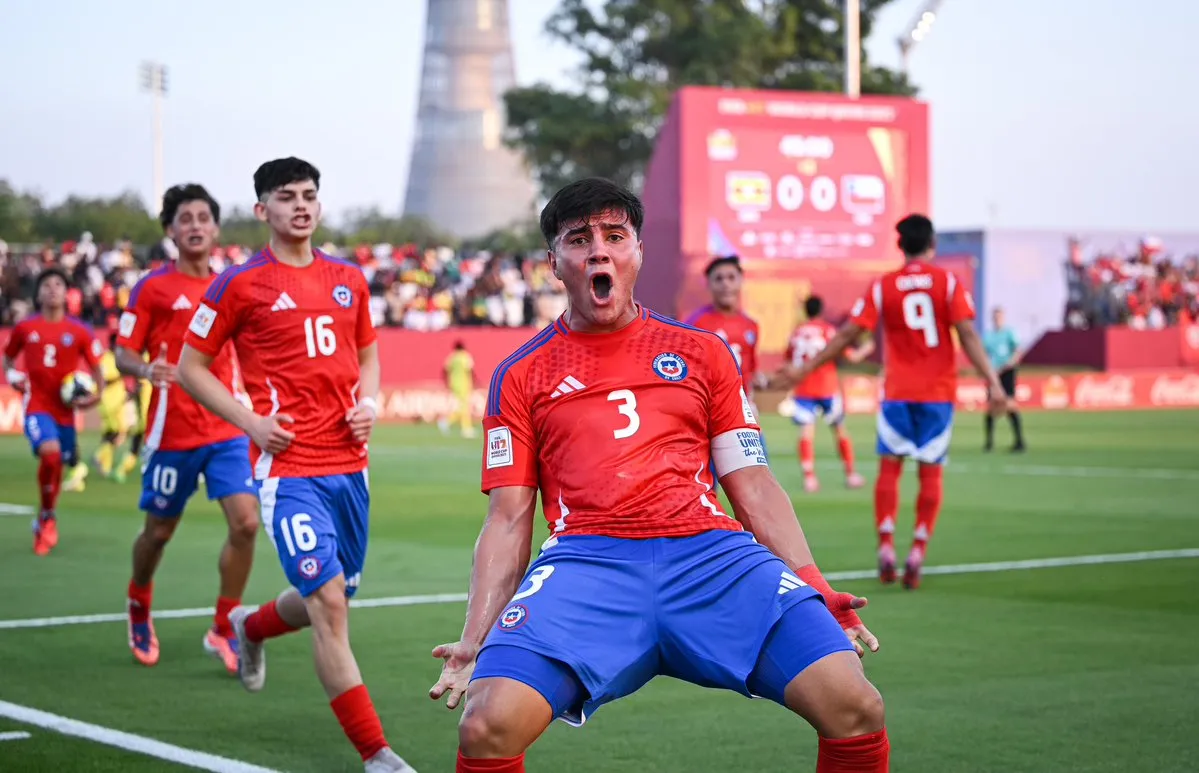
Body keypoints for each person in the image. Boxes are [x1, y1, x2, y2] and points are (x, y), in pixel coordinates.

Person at [430, 178, 889, 773]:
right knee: (486, 726)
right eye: (579, 239)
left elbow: (751, 482)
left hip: (712, 559)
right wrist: (475, 634)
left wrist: (815, 585)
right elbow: (509, 515)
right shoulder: (521, 374)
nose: (598, 250)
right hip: (587, 566)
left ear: (637, 253)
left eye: (614, 236)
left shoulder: (704, 352)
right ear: (554, 264)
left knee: (855, 704)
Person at [176, 158, 413, 773]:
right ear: (263, 211)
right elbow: (190, 367)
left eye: (310, 195)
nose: (301, 206)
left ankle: (249, 628)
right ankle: (376, 754)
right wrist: (251, 424)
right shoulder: (238, 284)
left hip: (351, 467)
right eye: (287, 197)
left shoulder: (349, 279)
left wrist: (369, 402)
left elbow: (369, 357)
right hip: (288, 469)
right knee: (329, 605)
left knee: (329, 596)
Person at [773, 214, 1005, 589]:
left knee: (890, 470)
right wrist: (993, 383)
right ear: (931, 245)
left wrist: (803, 370)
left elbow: (849, 332)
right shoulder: (947, 283)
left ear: (901, 246)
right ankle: (917, 549)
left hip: (898, 392)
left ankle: (885, 544)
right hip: (938, 394)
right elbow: (968, 335)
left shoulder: (885, 286)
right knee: (930, 473)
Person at [114, 183, 260, 672]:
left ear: (216, 229)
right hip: (170, 431)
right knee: (158, 533)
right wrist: (144, 370)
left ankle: (223, 627)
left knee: (246, 523)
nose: (195, 225)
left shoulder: (234, 286)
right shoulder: (152, 288)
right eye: (185, 218)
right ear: (171, 231)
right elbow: (123, 352)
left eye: (203, 217)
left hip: (226, 429)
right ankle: (139, 602)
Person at [2, 268, 103, 555]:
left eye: (58, 284)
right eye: (47, 285)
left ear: (67, 292)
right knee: (50, 452)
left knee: (59, 462)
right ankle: (47, 518)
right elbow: (7, 360)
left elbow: (97, 370)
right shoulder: (25, 328)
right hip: (36, 406)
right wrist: (13, 377)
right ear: (38, 293)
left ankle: (47, 514)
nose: (53, 289)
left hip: (65, 412)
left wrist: (94, 398)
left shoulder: (80, 331)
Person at [785, 295, 870, 493]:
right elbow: (851, 356)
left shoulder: (797, 332)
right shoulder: (828, 331)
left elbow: (789, 360)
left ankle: (809, 478)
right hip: (827, 387)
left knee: (806, 432)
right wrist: (867, 348)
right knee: (839, 429)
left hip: (804, 387)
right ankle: (850, 474)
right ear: (821, 310)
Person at [684, 255, 761, 412]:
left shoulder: (751, 325)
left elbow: (751, 370)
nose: (725, 283)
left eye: (731, 277)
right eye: (718, 279)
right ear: (708, 284)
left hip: (743, 407)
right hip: (708, 409)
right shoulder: (695, 323)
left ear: (741, 281)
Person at [982, 307, 1026, 452]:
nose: (997, 319)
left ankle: (1020, 441)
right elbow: (984, 355)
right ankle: (989, 443)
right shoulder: (988, 336)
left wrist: (1009, 363)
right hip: (994, 373)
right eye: (995, 316)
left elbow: (1017, 351)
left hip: (1007, 371)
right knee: (991, 407)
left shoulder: (1009, 333)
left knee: (1010, 405)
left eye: (1000, 316)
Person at [92, 331, 133, 479]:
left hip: (118, 400)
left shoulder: (117, 357)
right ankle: (100, 457)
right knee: (116, 432)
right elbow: (105, 379)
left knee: (113, 433)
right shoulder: (106, 359)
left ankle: (104, 463)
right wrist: (119, 375)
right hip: (108, 401)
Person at [438, 340, 476, 439]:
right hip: (464, 384)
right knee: (464, 407)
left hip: (454, 384)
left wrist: (446, 381)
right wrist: (475, 380)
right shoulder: (465, 356)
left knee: (463, 407)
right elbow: (470, 369)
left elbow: (445, 369)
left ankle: (462, 427)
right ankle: (460, 427)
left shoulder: (452, 357)